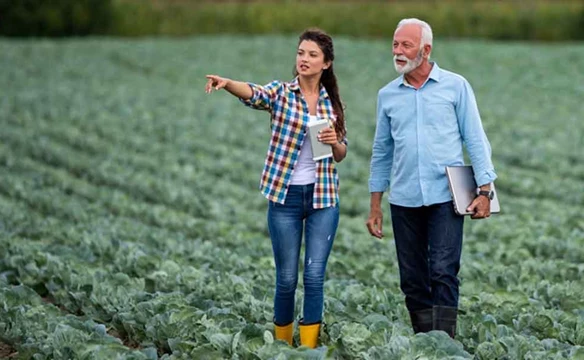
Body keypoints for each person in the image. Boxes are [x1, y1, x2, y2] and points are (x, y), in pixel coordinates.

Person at [205, 28, 347, 348]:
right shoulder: (282, 93)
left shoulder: (332, 103)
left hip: (323, 197)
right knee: (286, 279)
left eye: (312, 55)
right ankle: (282, 348)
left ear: (326, 63)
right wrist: (228, 84)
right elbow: (254, 93)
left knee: (313, 277)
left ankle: (308, 349)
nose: (304, 60)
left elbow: (341, 153)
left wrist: (334, 141)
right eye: (300, 53)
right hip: (285, 198)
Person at [366, 18, 497, 338]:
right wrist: (375, 205)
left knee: (442, 271)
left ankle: (445, 343)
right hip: (404, 198)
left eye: (406, 45)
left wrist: (485, 191)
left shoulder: (455, 86)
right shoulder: (388, 95)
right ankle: (426, 342)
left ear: (426, 50)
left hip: (447, 196)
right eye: (395, 44)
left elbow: (475, 139)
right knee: (411, 279)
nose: (398, 52)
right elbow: (381, 151)